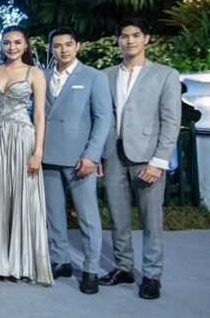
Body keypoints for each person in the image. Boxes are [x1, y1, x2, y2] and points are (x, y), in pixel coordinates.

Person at [98, 17, 181, 300]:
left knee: (151, 219)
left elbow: (171, 121)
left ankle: (152, 275)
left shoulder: (165, 75)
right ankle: (123, 267)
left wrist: (159, 161)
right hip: (113, 153)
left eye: (135, 35)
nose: (129, 40)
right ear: (118, 40)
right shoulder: (106, 75)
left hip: (147, 157)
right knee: (117, 216)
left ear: (147, 38)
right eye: (124, 36)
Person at [42, 27, 113, 294]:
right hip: (47, 154)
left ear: (77, 46)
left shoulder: (94, 76)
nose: (63, 50)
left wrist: (92, 155)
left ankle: (91, 268)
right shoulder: (43, 75)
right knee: (53, 213)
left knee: (87, 215)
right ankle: (60, 260)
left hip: (79, 158)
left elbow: (103, 118)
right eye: (57, 45)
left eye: (68, 44)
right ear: (51, 48)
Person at [0, 25, 53, 285]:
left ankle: (20, 262)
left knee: (21, 197)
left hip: (22, 140)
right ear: (1, 45)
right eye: (7, 42)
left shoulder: (35, 73)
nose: (11, 47)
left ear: (25, 45)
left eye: (17, 42)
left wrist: (38, 152)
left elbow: (39, 115)